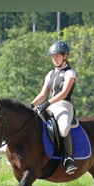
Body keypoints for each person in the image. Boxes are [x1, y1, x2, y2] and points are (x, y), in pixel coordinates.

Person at [31, 41, 77, 175]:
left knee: (63, 129)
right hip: (50, 106)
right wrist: (31, 105)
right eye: (53, 56)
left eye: (57, 56)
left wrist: (47, 104)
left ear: (65, 56)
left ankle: (69, 159)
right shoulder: (50, 74)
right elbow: (42, 94)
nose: (55, 59)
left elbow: (64, 93)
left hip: (64, 105)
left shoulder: (70, 73)